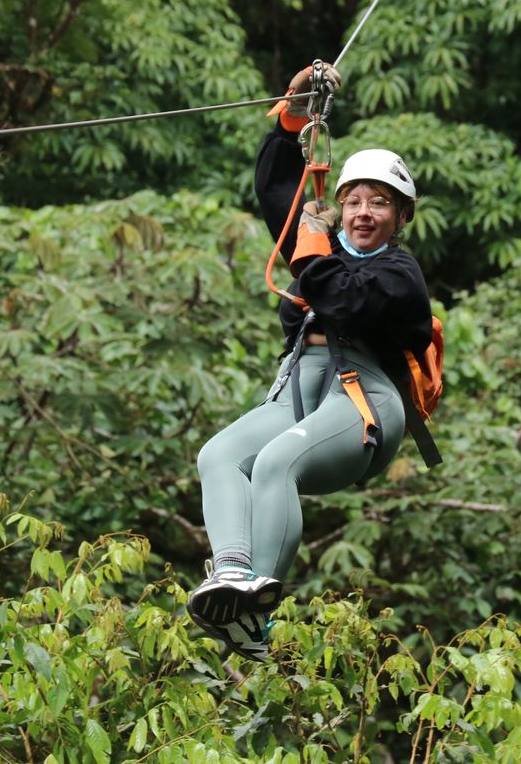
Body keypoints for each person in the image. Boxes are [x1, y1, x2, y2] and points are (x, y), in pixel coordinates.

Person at [186, 63, 433, 660]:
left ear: (401, 217)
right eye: (353, 200)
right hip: (302, 388)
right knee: (217, 455)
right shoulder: (317, 238)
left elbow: (340, 297)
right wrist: (296, 110)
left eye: (380, 203)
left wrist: (316, 243)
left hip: (364, 401)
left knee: (275, 462)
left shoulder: (399, 274)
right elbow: (277, 186)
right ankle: (234, 576)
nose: (363, 212)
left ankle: (257, 599)